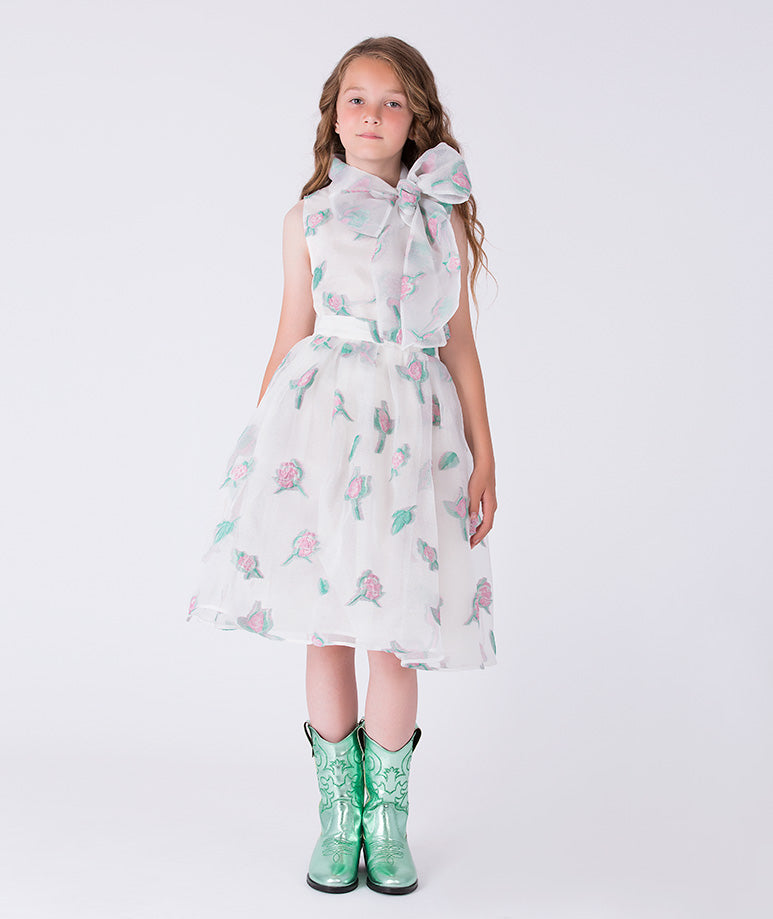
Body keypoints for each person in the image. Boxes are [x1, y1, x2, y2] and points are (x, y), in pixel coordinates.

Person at [187, 35, 498, 895]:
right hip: (323, 430)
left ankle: (387, 824)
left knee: (394, 631)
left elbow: (460, 344)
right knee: (325, 622)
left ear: (416, 120)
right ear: (332, 116)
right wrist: (259, 449)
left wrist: (483, 451)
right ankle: (335, 818)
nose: (371, 114)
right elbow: (292, 331)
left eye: (391, 101)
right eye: (354, 99)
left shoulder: (442, 214)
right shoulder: (310, 218)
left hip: (414, 436)